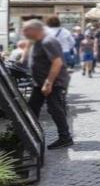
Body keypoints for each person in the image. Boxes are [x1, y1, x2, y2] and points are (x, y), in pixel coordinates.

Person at [22, 19, 73, 149]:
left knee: (55, 109)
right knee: (32, 108)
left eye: (26, 30)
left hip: (53, 82)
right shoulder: (37, 42)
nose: (24, 32)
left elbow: (57, 63)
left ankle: (65, 137)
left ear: (36, 30)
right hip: (40, 83)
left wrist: (49, 82)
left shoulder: (48, 41)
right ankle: (31, 135)